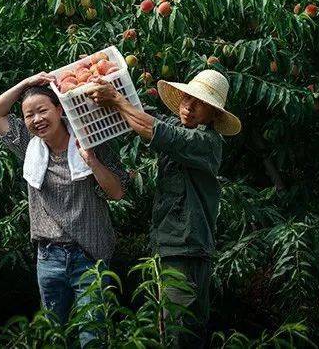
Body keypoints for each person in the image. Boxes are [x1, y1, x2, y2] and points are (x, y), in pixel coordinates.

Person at [89, 69, 240, 348]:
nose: (190, 106)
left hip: (187, 251)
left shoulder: (207, 144)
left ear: (215, 115)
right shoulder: (180, 127)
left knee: (180, 333)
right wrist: (110, 91)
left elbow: (154, 130)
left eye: (201, 103)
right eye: (187, 98)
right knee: (162, 328)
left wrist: (118, 101)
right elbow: (143, 116)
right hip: (166, 247)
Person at [0, 71, 129, 346]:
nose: (37, 119)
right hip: (49, 256)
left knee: (93, 336)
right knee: (53, 336)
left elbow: (117, 192)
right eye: (29, 115)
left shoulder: (90, 141)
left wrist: (92, 162)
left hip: (90, 254)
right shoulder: (29, 147)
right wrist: (27, 82)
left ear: (60, 109)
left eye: (42, 111)